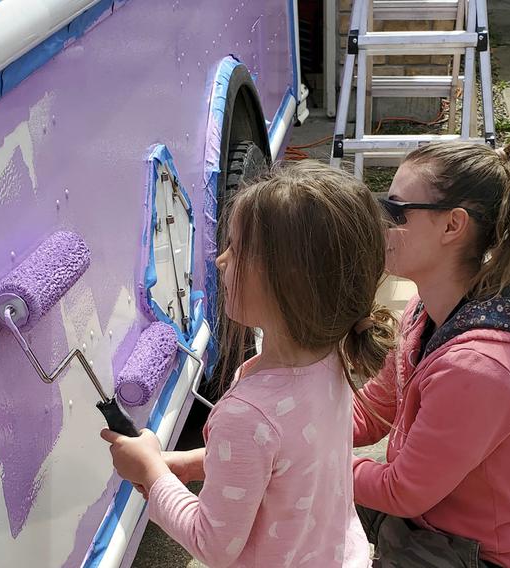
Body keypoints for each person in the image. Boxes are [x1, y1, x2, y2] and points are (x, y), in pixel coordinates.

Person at [101, 160, 396, 567]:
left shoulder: (248, 415)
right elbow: (284, 465)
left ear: (288, 281)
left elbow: (213, 545)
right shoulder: (334, 353)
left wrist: (153, 474)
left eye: (236, 250)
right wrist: (191, 463)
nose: (221, 261)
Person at [353, 137, 510, 568]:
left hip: (490, 559)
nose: (380, 222)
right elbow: (373, 412)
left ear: (453, 226)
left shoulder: (480, 368)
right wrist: (289, 424)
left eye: (395, 211)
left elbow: (402, 490)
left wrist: (304, 455)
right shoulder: (425, 312)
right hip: (445, 531)